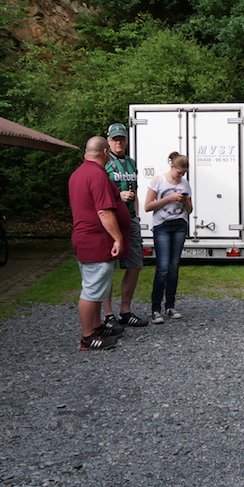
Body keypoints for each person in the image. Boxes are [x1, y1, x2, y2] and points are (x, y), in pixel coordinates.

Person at [68, 137, 131, 351]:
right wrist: (118, 238)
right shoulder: (97, 175)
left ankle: (96, 327)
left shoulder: (78, 173)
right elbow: (104, 211)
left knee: (97, 287)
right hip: (95, 240)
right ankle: (87, 338)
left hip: (86, 238)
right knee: (92, 290)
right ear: (105, 152)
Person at [101, 122, 148, 331]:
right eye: (115, 139)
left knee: (135, 264)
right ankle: (108, 314)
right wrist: (118, 196)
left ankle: (126, 311)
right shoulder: (104, 163)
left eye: (122, 139)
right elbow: (99, 191)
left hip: (130, 220)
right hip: (111, 221)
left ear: (127, 140)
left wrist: (136, 215)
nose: (118, 143)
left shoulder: (131, 162)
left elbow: (135, 190)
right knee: (107, 268)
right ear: (108, 141)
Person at [146, 152, 193, 323]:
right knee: (163, 267)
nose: (181, 176)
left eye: (184, 173)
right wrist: (169, 198)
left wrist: (184, 201)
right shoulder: (158, 181)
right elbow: (148, 206)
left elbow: (190, 210)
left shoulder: (185, 183)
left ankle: (170, 306)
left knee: (174, 267)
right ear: (172, 166)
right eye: (179, 172)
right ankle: (155, 308)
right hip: (162, 226)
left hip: (180, 225)